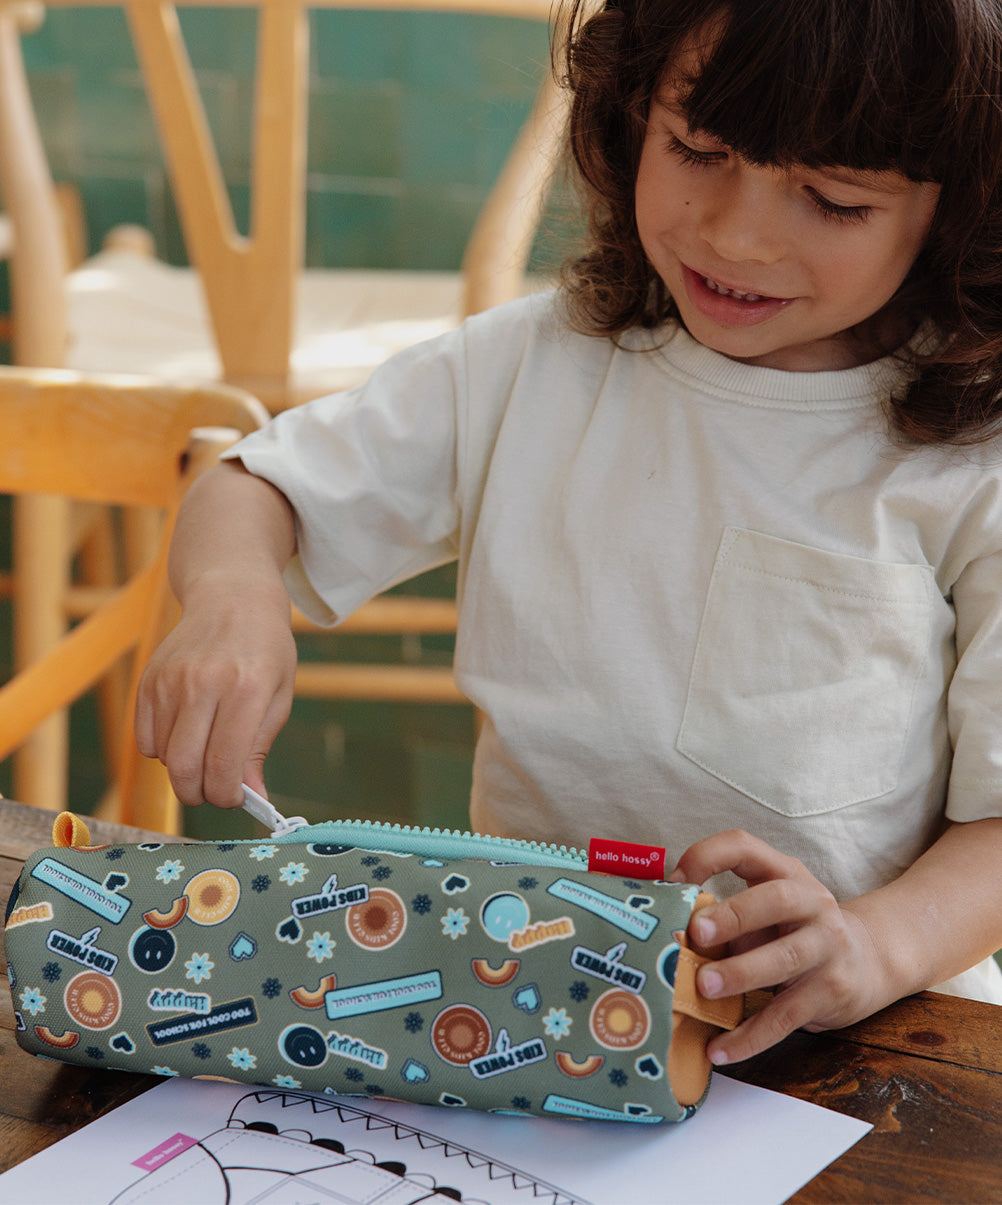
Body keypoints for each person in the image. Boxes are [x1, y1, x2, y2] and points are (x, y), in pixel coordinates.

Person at [135, 0, 1002, 1066]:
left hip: (858, 1042)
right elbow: (252, 483)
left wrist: (878, 940)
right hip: (529, 1019)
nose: (737, 232)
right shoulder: (534, 366)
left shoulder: (973, 466)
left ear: (957, 209)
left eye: (832, 198)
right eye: (696, 148)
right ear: (629, 110)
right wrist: (232, 594)